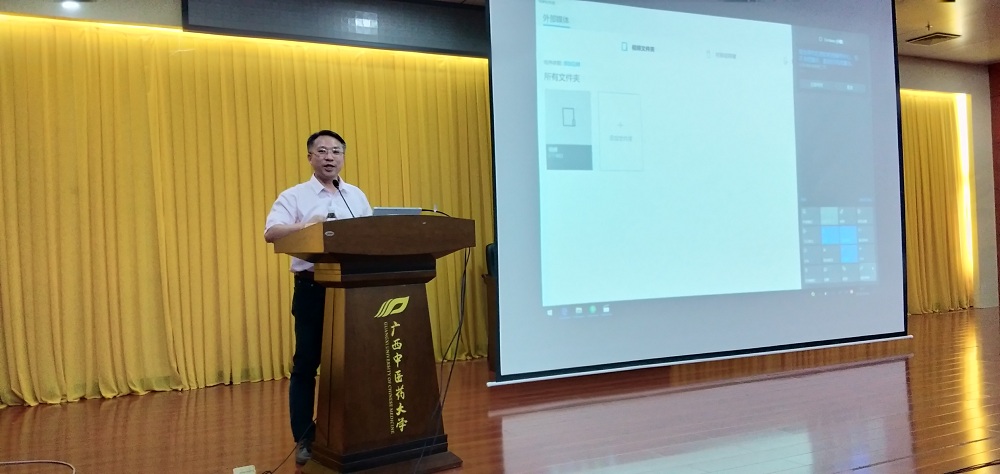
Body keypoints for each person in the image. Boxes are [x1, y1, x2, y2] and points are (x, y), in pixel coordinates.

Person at [263, 129, 373, 466]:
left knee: (354, 364)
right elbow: (271, 232)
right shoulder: (295, 196)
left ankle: (354, 431)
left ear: (343, 157)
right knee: (307, 365)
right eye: (323, 151)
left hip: (353, 290)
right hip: (313, 287)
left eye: (336, 151)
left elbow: (373, 235)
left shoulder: (355, 196)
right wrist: (308, 227)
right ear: (310, 157)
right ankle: (304, 438)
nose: (330, 157)